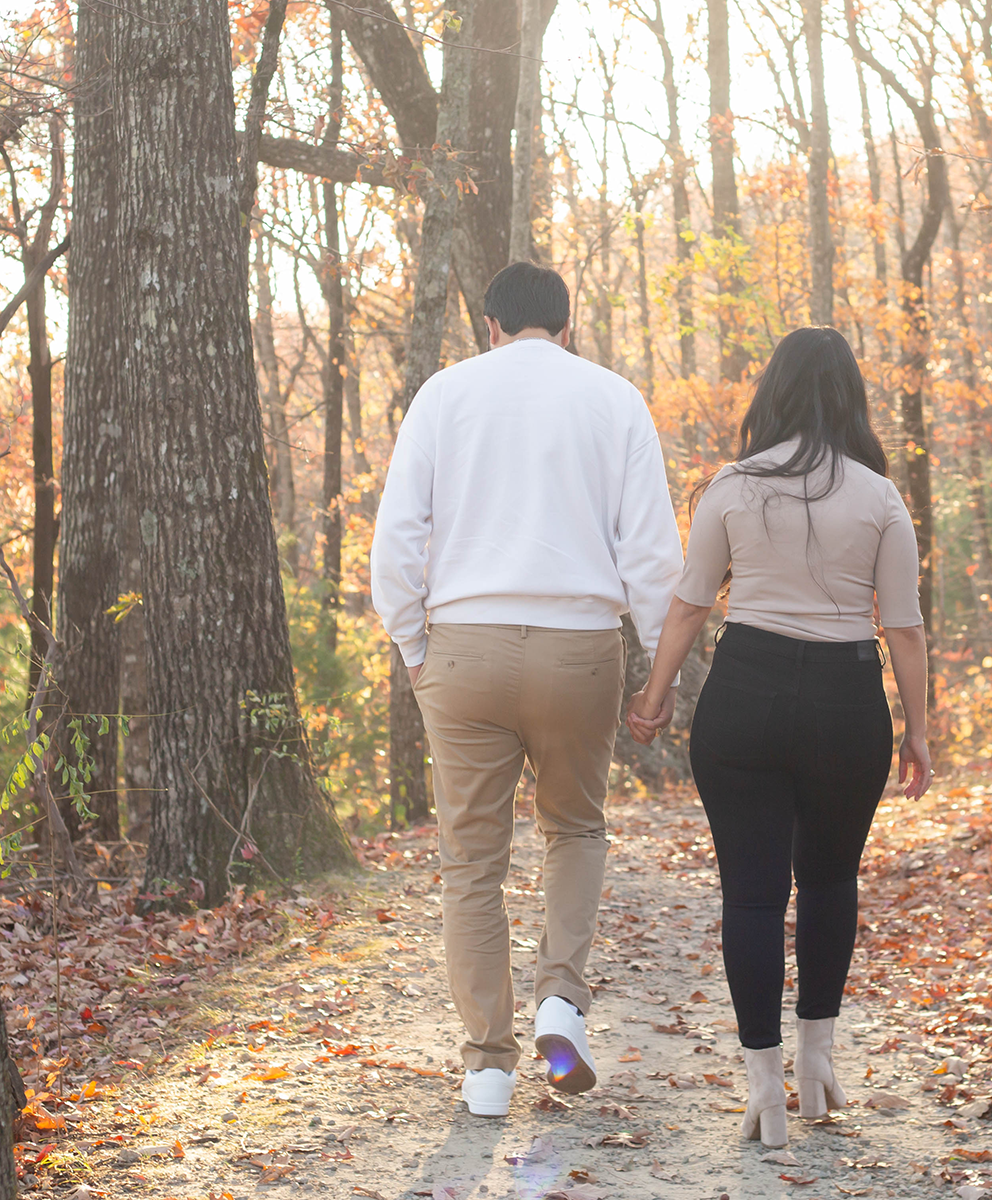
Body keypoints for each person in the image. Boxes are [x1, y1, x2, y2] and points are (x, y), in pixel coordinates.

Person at [371, 262, 683, 1118]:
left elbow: (398, 534)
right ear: (568, 328)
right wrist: (661, 673)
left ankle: (487, 1069)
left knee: (471, 861)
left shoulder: (444, 394)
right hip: (581, 646)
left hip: (463, 649)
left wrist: (411, 643)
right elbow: (653, 554)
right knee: (576, 829)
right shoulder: (614, 399)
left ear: (489, 324)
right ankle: (560, 1002)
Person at [627, 326, 931, 1149]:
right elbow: (902, 628)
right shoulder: (880, 496)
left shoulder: (730, 486)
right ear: (851, 397)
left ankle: (764, 1094)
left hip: (745, 694)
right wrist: (919, 732)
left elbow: (690, 603)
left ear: (774, 392)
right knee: (830, 881)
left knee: (753, 894)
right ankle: (818, 1068)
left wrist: (654, 697)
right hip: (844, 699)